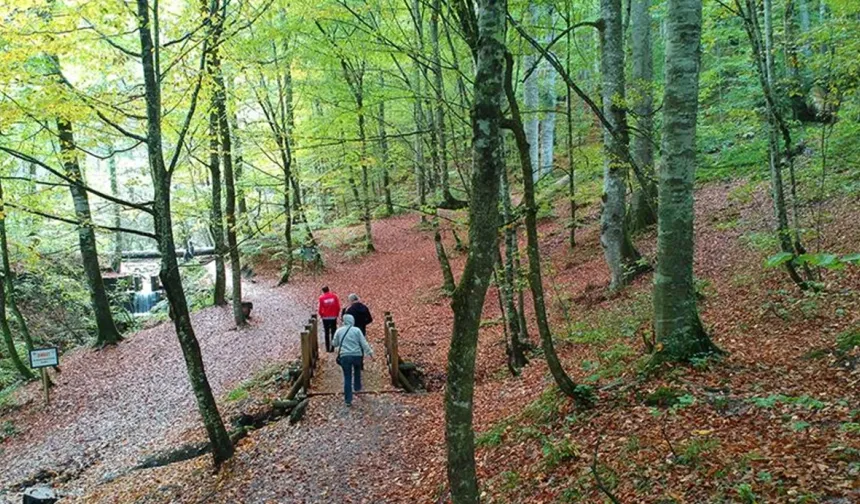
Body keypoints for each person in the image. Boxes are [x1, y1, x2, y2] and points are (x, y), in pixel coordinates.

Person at [333, 314, 373, 406]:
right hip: (357, 355)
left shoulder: (339, 331)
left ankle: (348, 400)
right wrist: (370, 353)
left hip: (345, 356)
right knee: (357, 371)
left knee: (347, 377)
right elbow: (364, 343)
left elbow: (334, 343)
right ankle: (357, 387)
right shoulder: (357, 330)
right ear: (352, 321)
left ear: (344, 321)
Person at [317, 286, 340, 352]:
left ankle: (327, 348)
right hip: (333, 316)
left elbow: (320, 308)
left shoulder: (321, 298)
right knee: (333, 331)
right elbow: (338, 306)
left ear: (323, 291)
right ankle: (332, 347)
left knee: (326, 332)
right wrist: (336, 314)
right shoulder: (334, 296)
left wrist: (321, 315)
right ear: (328, 289)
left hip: (325, 317)